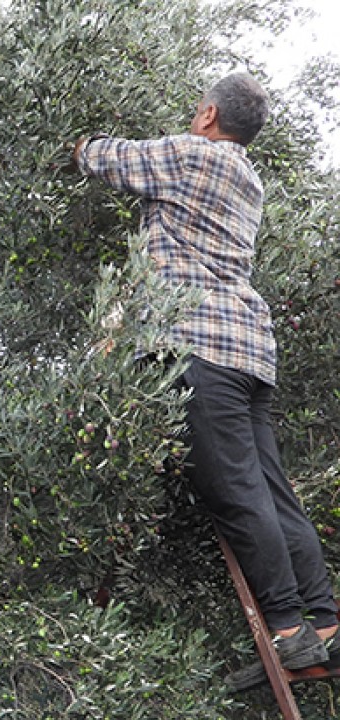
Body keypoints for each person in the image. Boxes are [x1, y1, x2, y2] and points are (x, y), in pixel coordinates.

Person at [74, 72, 338, 690]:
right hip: (249, 349)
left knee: (236, 493)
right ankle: (324, 623)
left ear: (209, 114)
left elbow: (108, 159)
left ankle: (287, 631)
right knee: (272, 492)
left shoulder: (192, 154)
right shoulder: (250, 179)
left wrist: (76, 141)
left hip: (200, 346)